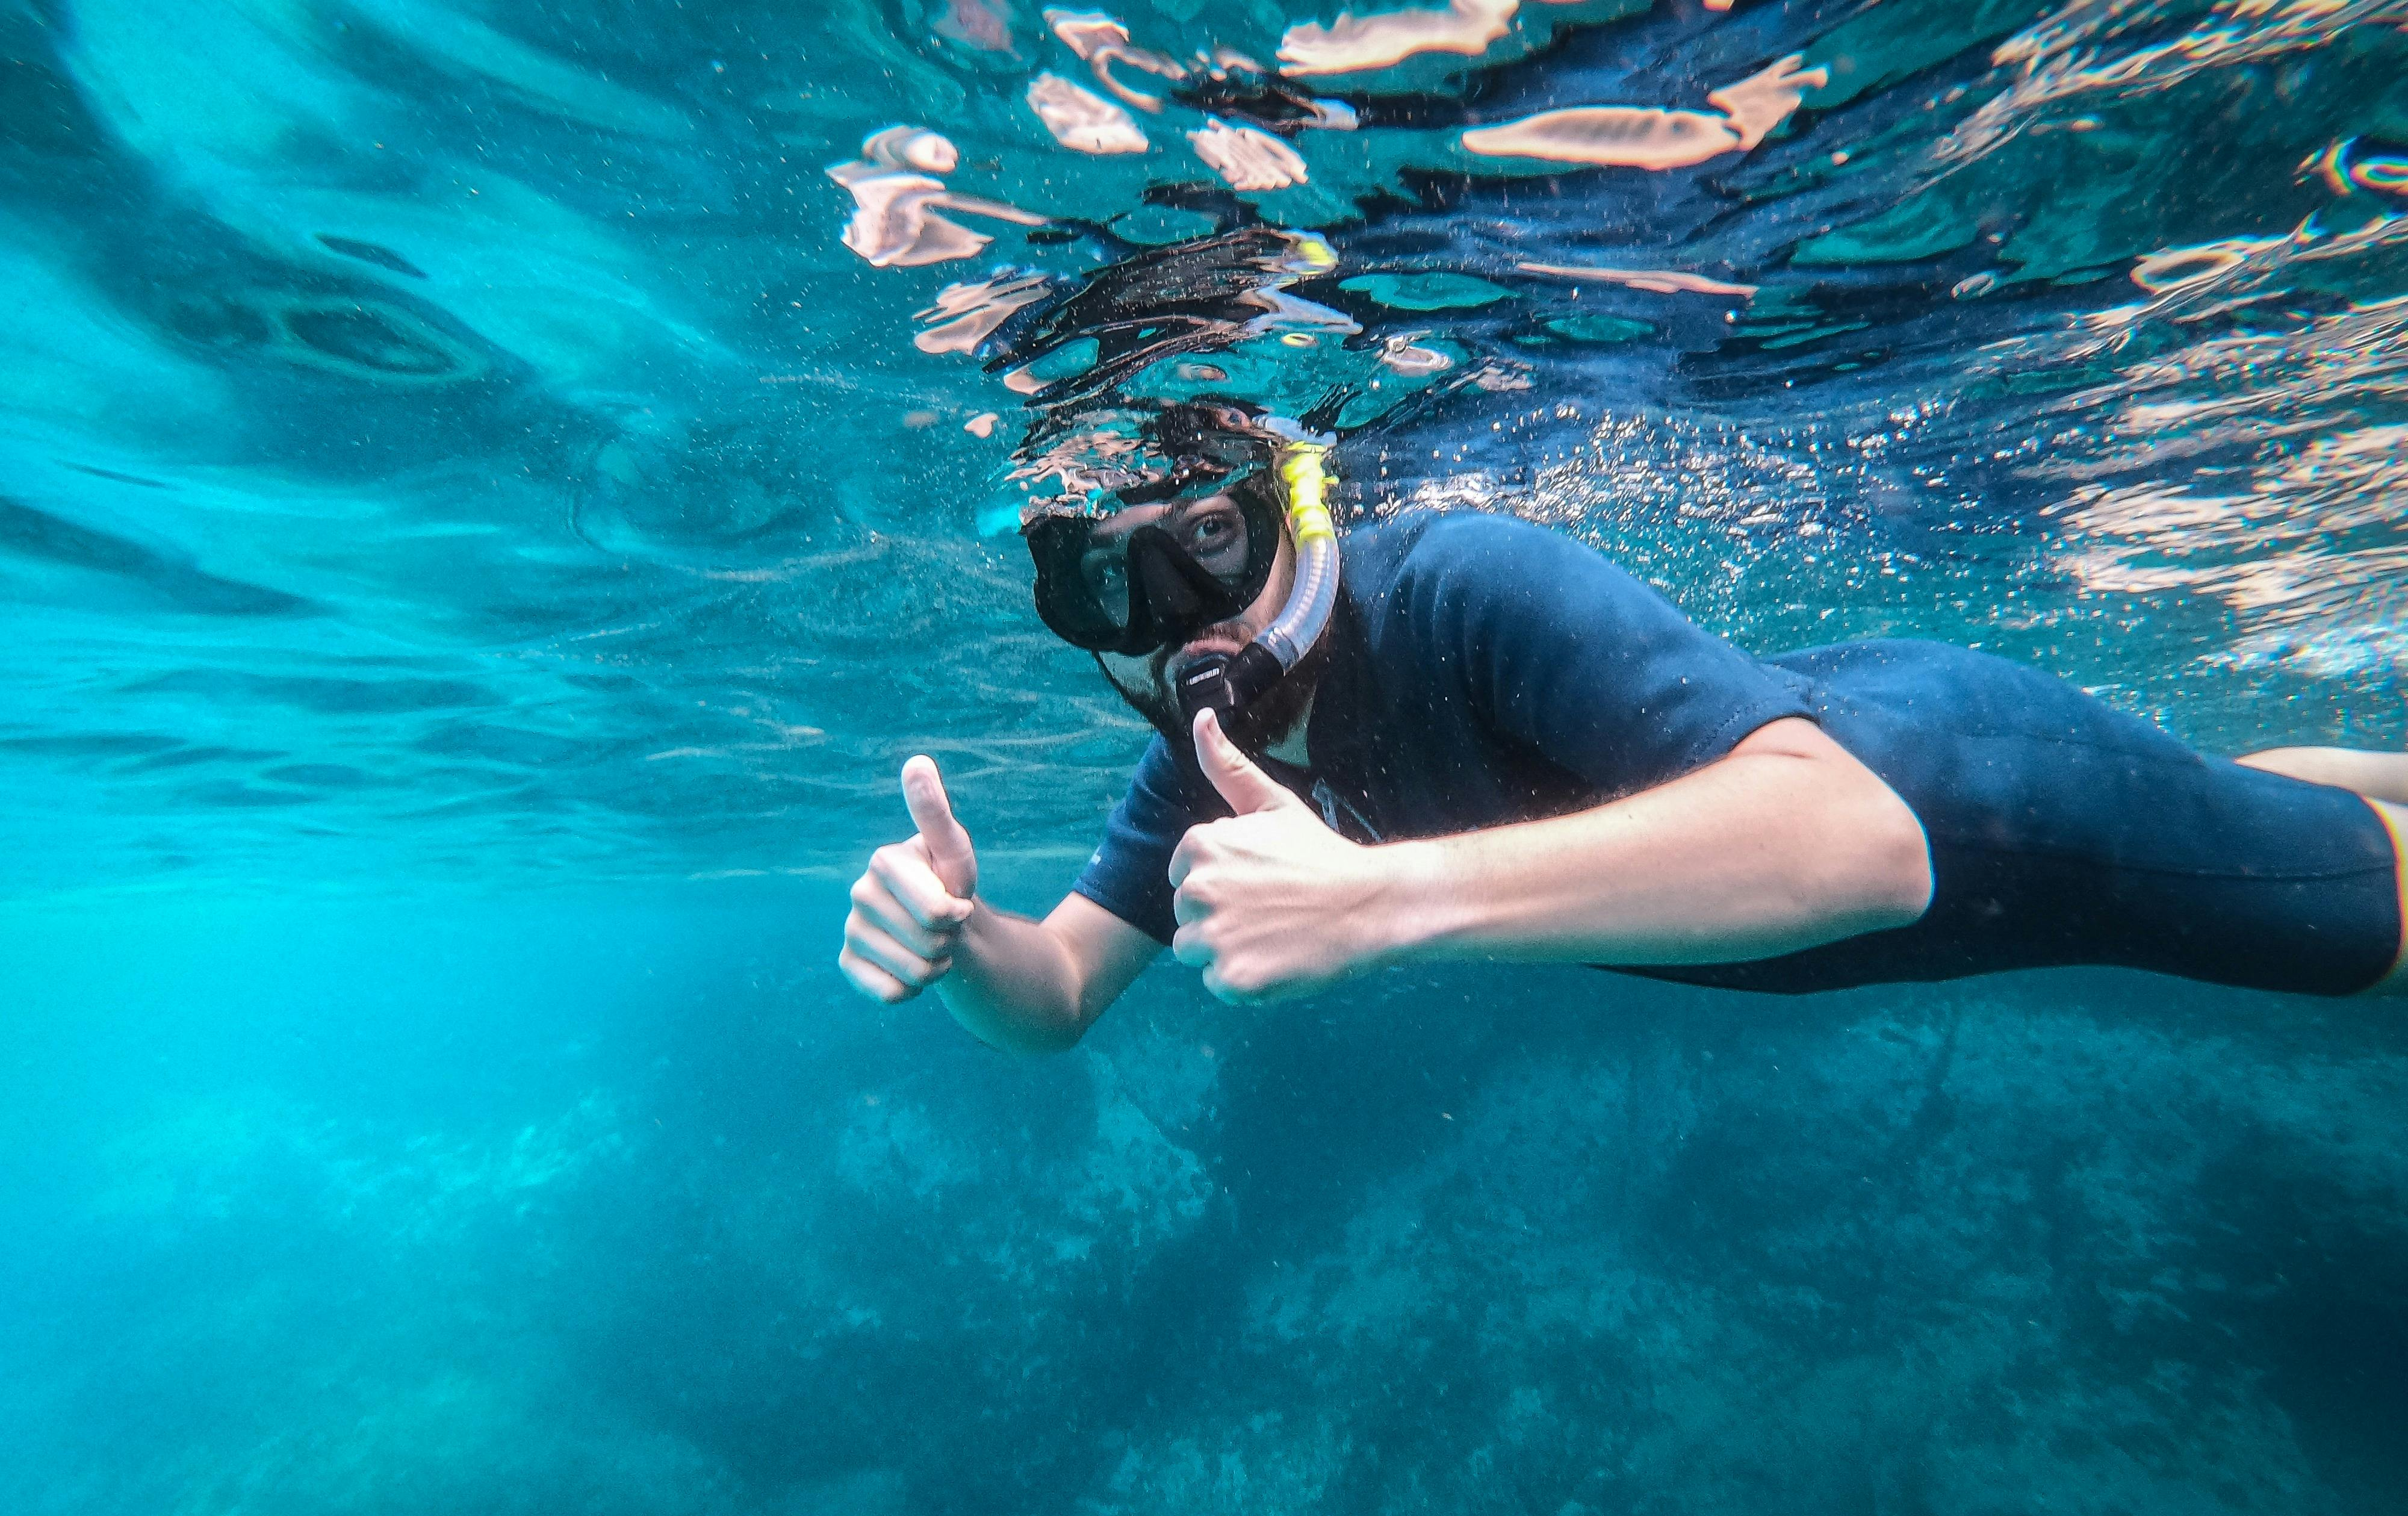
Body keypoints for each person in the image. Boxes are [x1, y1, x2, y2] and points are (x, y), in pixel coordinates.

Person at [839, 408, 2408, 1049]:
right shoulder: (1210, 766)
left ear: (1293, 508)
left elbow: (1859, 841)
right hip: (1890, 770)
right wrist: (961, 937)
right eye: (1120, 593)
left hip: (1986, 800)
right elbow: (1057, 997)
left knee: (2367, 899)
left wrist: (1383, 901)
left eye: (1211, 547)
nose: (1188, 620)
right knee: (2235, 790)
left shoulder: (1457, 580)